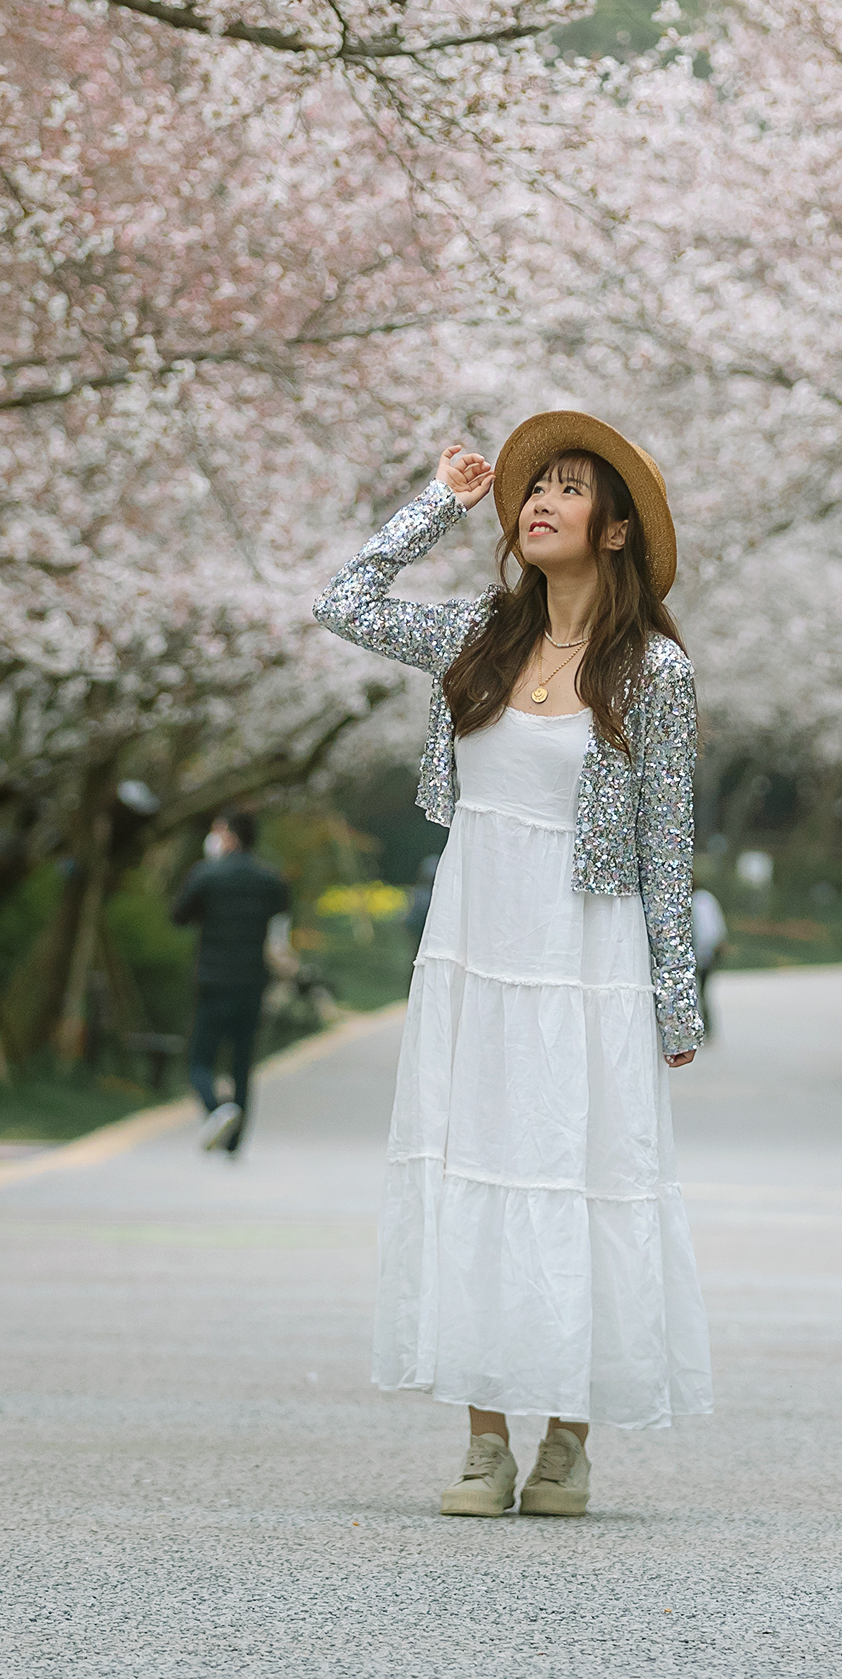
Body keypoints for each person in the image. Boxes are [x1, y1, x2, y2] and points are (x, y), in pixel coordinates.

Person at [314, 413, 711, 1519]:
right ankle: (484, 1439)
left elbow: (666, 843)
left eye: (569, 489)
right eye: (533, 488)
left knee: (574, 1178)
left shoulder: (654, 671)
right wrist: (436, 499)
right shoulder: (478, 636)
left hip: (586, 953)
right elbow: (342, 602)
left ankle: (567, 1441)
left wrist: (675, 998)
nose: (539, 501)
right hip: (475, 944)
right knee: (474, 1171)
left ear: (617, 531)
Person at [168, 810, 289, 1156]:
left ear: (231, 837)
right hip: (253, 982)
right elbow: (279, 924)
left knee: (199, 1061)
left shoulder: (207, 875)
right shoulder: (271, 880)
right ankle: (235, 1142)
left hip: (213, 979)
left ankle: (215, 1108)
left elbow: (179, 915)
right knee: (241, 1061)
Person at [687, 882, 728, 1041]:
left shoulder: (701, 900)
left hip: (705, 952)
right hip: (701, 951)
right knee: (699, 993)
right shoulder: (702, 900)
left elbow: (711, 928)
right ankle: (698, 1028)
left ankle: (703, 1028)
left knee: (700, 992)